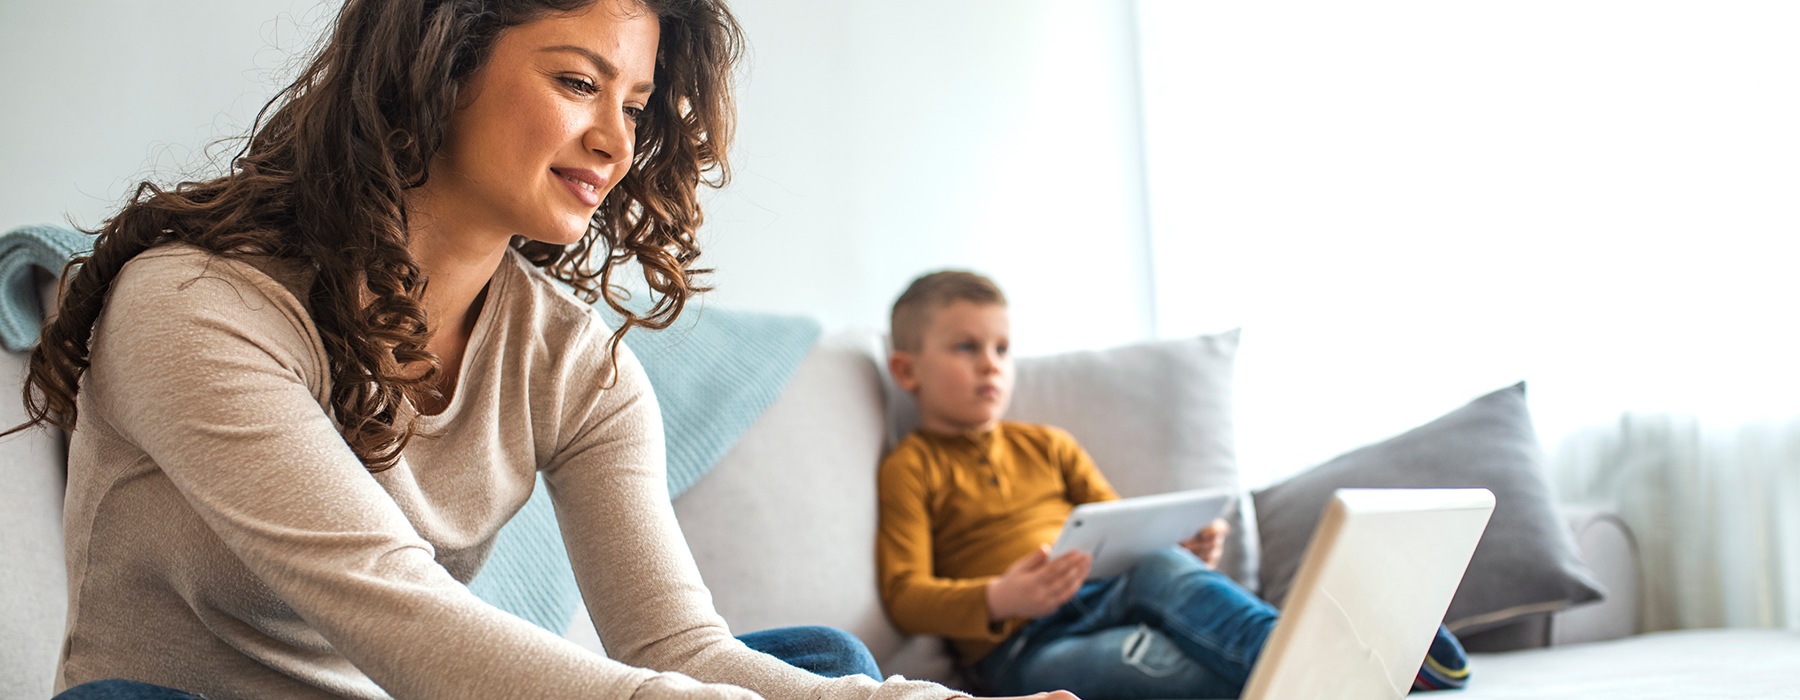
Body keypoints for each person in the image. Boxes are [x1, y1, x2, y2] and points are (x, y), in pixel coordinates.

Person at [11, 1, 1077, 698]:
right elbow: (394, 607)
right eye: (577, 84)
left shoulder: (579, 367)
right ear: (442, 65)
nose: (617, 143)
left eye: (636, 105)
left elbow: (677, 647)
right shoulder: (197, 304)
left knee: (822, 668)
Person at [876, 270, 1472, 699]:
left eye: (1002, 348)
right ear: (906, 370)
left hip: (1112, 593)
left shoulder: (1047, 443)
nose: (991, 365)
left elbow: (1121, 530)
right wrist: (1000, 599)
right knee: (1161, 664)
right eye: (966, 347)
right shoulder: (912, 467)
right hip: (1023, 652)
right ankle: (1360, 664)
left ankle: (1322, 656)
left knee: (1162, 564)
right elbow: (904, 593)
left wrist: (1175, 547)